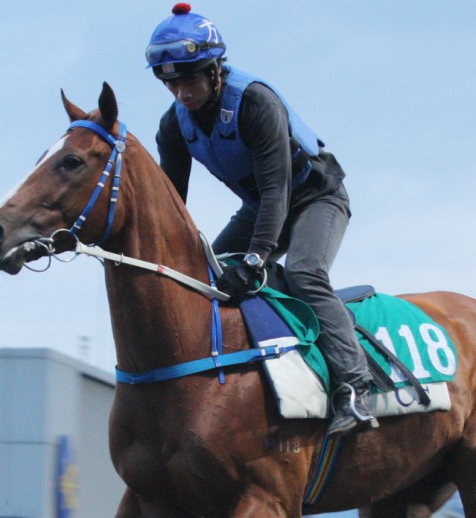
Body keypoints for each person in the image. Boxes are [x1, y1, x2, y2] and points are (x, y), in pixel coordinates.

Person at [146, 3, 377, 437]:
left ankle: (355, 386)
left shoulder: (255, 102)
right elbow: (172, 205)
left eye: (190, 79)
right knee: (205, 276)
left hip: (315, 198)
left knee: (306, 274)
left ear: (216, 70)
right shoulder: (173, 125)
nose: (182, 93)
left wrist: (254, 260)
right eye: (171, 83)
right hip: (263, 208)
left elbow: (277, 191)